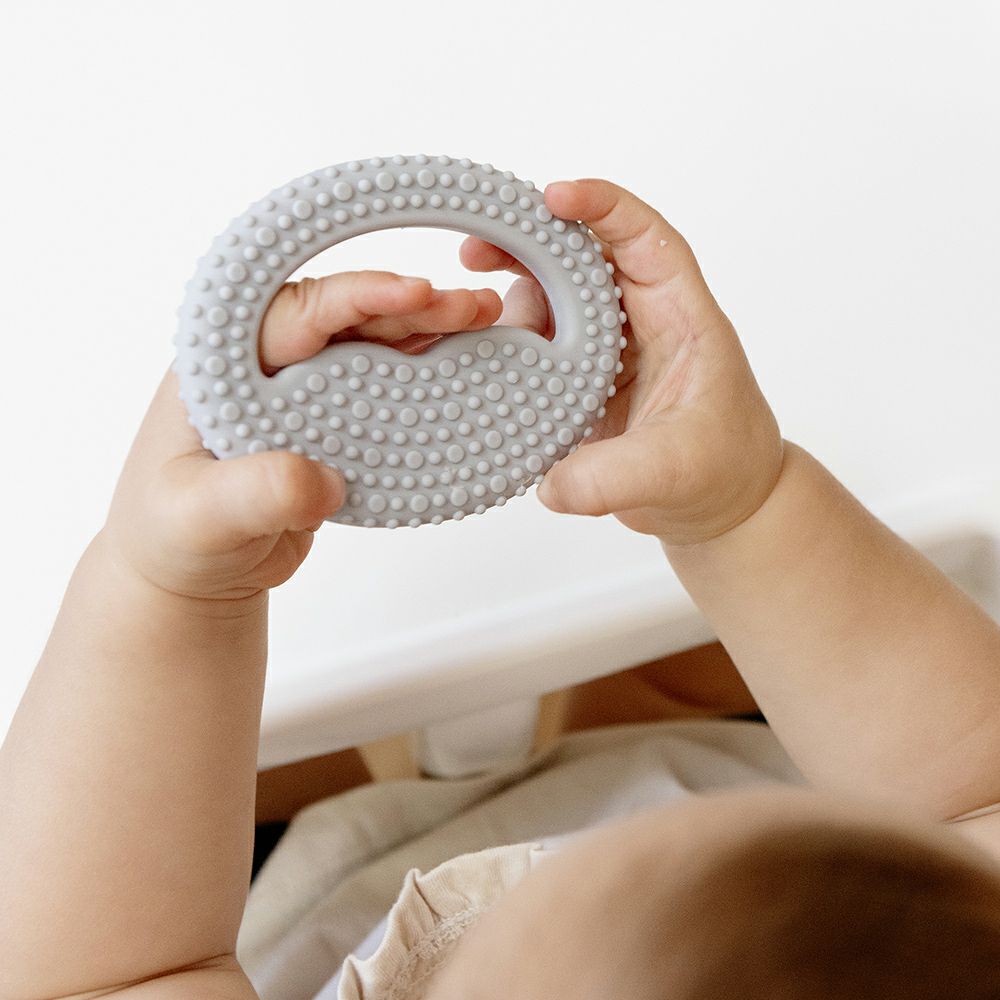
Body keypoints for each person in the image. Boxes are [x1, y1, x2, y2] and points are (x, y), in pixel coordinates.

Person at [3, 178, 1000, 1000]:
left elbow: (110, 972)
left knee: (302, 754)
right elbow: (975, 797)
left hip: (287, 905)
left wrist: (174, 592)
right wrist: (741, 506)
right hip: (826, 827)